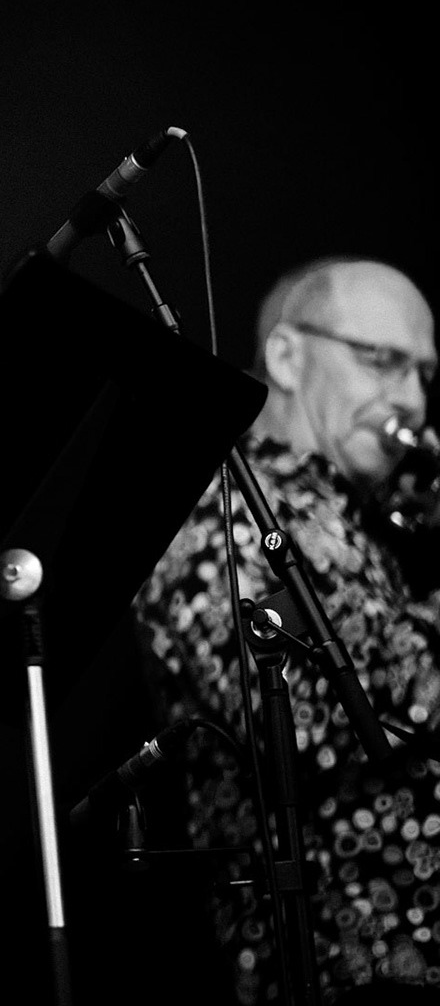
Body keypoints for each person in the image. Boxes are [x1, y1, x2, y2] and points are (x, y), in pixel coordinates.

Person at [134, 257, 439, 1003]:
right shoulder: (221, 506)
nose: (413, 402)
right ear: (287, 355)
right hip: (345, 966)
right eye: (382, 362)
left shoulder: (344, 513)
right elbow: (302, 724)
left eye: (424, 375)